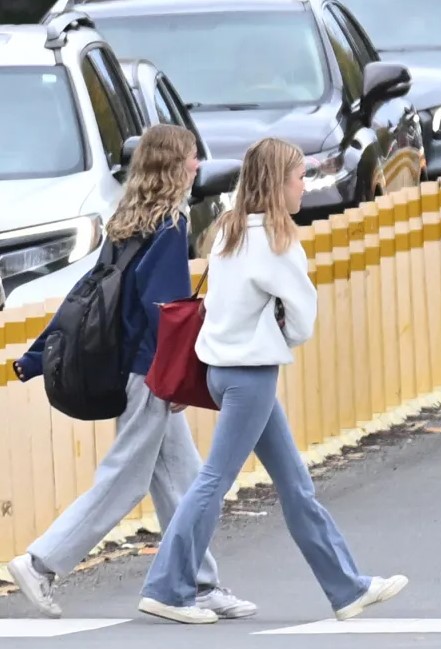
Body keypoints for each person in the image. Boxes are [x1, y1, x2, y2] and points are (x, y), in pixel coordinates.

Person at [136, 137, 407, 624]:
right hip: (251, 378)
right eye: (300, 177)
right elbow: (303, 321)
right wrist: (280, 328)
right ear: (277, 183)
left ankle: (347, 588)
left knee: (296, 485)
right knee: (214, 480)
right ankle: (167, 589)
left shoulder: (228, 233)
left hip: (221, 372)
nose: (305, 186)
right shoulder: (279, 245)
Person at [7, 124, 256, 620]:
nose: (196, 166)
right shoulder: (169, 227)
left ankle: (199, 583)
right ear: (171, 164)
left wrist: (37, 357)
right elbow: (164, 310)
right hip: (150, 376)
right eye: (190, 158)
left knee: (181, 480)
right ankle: (41, 563)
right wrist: (177, 374)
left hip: (133, 371)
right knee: (123, 480)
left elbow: (87, 295)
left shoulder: (128, 221)